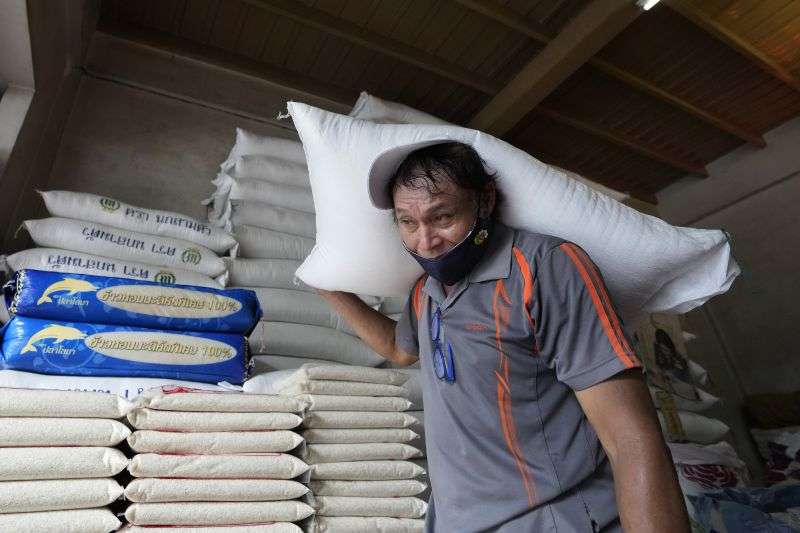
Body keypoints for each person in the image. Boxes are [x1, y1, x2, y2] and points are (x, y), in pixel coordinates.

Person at [317, 141, 690, 532]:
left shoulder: (545, 268)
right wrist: (329, 287)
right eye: (408, 223)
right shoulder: (426, 290)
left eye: (442, 217)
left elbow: (631, 439)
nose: (425, 242)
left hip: (549, 521)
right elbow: (399, 348)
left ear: (485, 200)